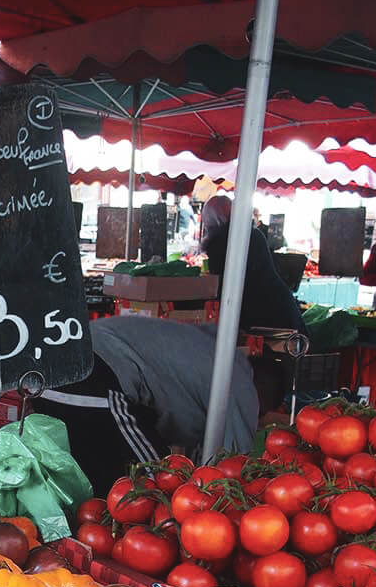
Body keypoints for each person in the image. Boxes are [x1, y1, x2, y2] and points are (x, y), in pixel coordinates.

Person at [34, 315, 259, 496]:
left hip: (51, 367)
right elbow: (236, 467)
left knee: (96, 486)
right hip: (93, 373)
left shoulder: (204, 347)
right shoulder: (239, 383)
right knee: (158, 482)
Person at [198, 195, 304, 333]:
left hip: (260, 315)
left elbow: (223, 286)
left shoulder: (220, 243)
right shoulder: (253, 234)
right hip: (280, 307)